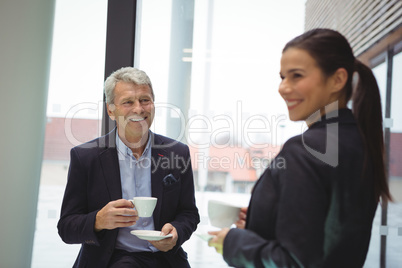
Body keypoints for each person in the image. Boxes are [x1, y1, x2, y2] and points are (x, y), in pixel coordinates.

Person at [208, 28, 392, 267]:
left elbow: (294, 262)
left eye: (296, 76)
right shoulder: (360, 143)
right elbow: (326, 238)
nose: (283, 87)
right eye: (282, 76)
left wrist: (233, 242)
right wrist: (259, 225)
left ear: (337, 80)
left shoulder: (306, 150)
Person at [58, 67, 200, 268]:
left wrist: (176, 232)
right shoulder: (85, 157)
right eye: (128, 102)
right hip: (112, 259)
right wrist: (98, 220)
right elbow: (66, 227)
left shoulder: (177, 152)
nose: (139, 109)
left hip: (166, 260)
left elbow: (189, 214)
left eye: (145, 100)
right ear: (111, 110)